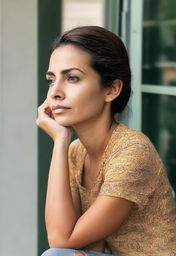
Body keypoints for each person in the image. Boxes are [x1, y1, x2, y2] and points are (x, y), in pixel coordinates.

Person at [36, 26, 176, 256]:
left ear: (111, 90)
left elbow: (61, 240)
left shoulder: (132, 151)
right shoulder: (75, 152)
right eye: (51, 80)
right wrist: (61, 142)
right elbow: (65, 236)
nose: (55, 93)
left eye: (72, 78)